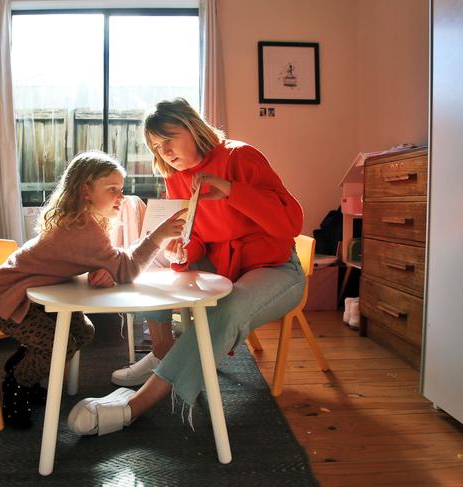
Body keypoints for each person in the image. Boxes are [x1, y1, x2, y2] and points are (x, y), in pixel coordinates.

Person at [67, 98, 306, 436]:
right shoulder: (176, 176)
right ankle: (163, 349)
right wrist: (182, 249)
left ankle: (136, 405)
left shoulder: (240, 157)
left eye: (169, 139)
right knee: (154, 262)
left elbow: (290, 223)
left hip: (276, 267)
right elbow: (195, 240)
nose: (163, 151)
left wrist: (229, 190)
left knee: (229, 305)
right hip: (224, 266)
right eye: (155, 146)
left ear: (193, 128)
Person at [0, 150, 186, 429]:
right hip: (6, 298)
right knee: (57, 346)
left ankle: (26, 365)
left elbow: (100, 261)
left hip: (30, 292)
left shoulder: (83, 221)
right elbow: (125, 269)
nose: (120, 196)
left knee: (83, 332)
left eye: (121, 189)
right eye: (112, 189)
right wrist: (158, 236)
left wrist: (102, 269)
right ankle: (16, 384)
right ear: (86, 190)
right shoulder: (82, 229)